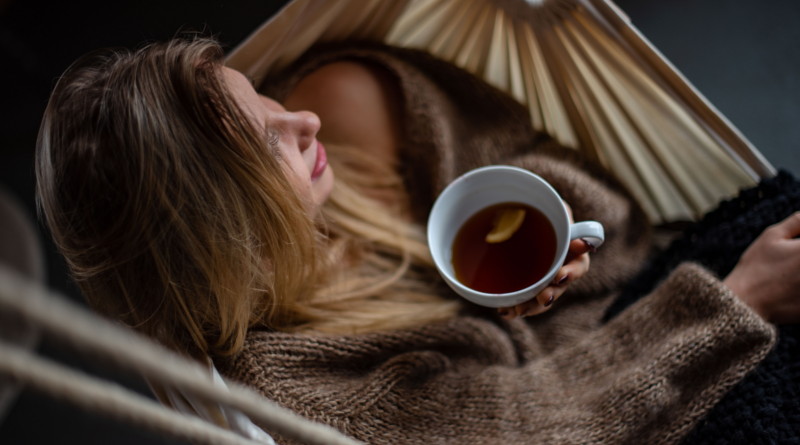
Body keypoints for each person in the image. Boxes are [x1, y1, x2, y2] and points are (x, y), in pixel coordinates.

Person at [35, 37, 800, 444]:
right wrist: (732, 302)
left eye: (252, 89)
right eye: (262, 143)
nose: (300, 122)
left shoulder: (351, 108)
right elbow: (523, 426)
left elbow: (620, 221)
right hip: (625, 380)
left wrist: (556, 236)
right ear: (222, 232)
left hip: (632, 316)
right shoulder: (284, 381)